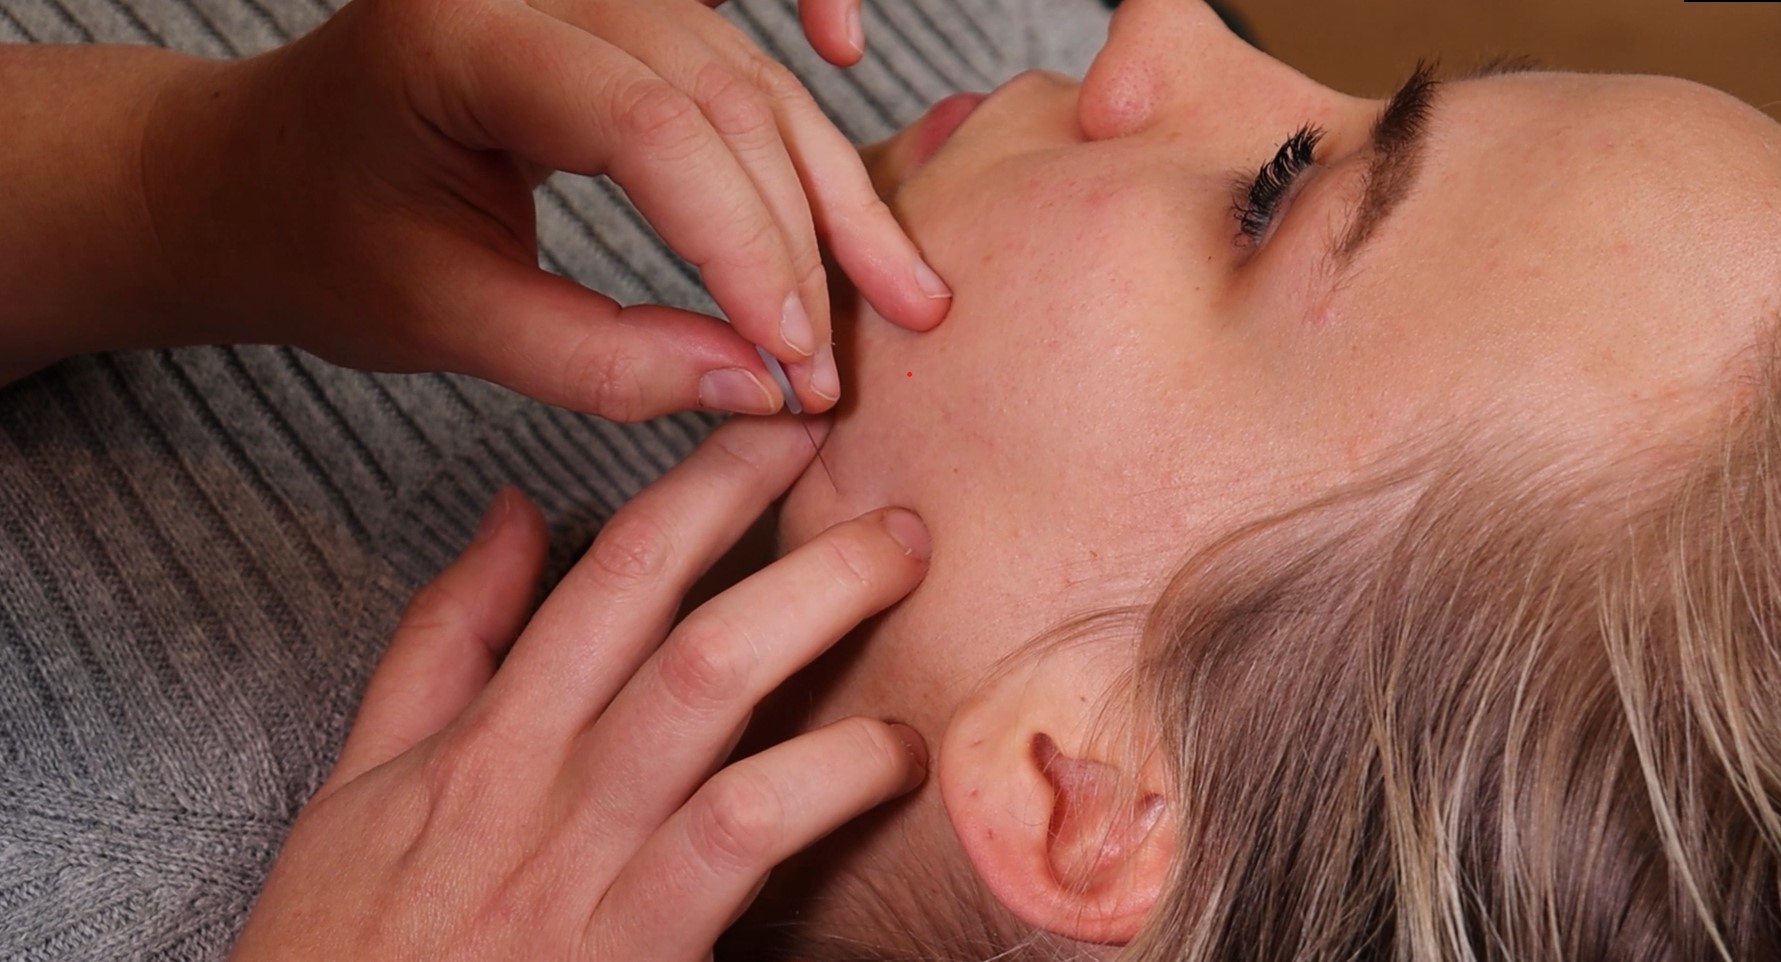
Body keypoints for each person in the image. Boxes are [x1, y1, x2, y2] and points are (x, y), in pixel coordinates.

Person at [8, 1, 1781, 961]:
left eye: (1274, 190)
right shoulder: (958, 72)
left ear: (1083, 792)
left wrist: (148, 182)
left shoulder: (112, 844)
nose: (1158, 31)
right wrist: (231, 178)